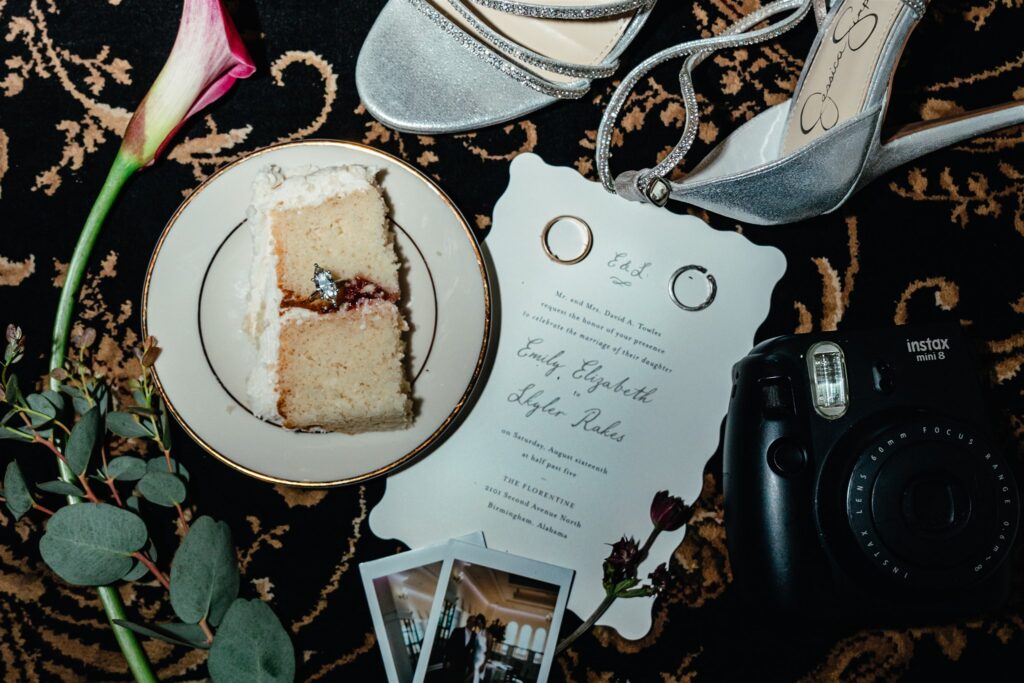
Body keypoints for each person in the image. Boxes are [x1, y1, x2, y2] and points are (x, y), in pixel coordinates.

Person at [441, 614, 487, 683]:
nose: (472, 623)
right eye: (471, 621)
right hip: (453, 661)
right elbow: (449, 645)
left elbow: (473, 651)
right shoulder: (457, 631)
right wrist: (447, 660)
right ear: (467, 621)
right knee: (448, 679)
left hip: (463, 665)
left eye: (474, 622)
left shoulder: (474, 636)